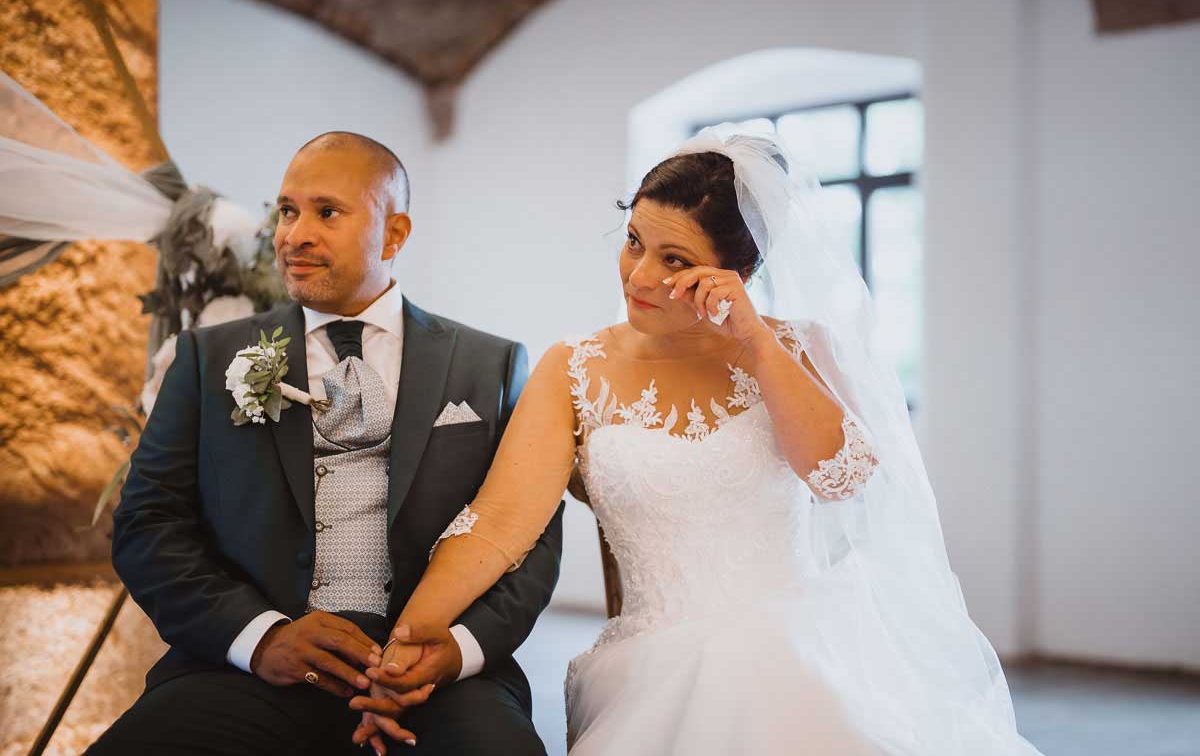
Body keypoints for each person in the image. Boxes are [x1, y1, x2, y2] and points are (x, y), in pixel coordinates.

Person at [361, 126, 1045, 754]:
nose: (640, 275)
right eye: (633, 241)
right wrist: (403, 644)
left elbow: (840, 478)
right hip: (653, 661)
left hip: (805, 645)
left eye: (674, 258)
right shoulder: (573, 367)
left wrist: (754, 344)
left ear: (736, 274)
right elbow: (500, 522)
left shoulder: (799, 348)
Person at [88, 132, 564, 756]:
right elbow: (148, 524)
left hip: (433, 673)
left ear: (394, 234)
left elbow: (531, 535)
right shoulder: (209, 359)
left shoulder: (490, 365)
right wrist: (259, 637)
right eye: (287, 211)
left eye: (327, 213)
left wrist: (457, 651)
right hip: (251, 668)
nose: (294, 235)